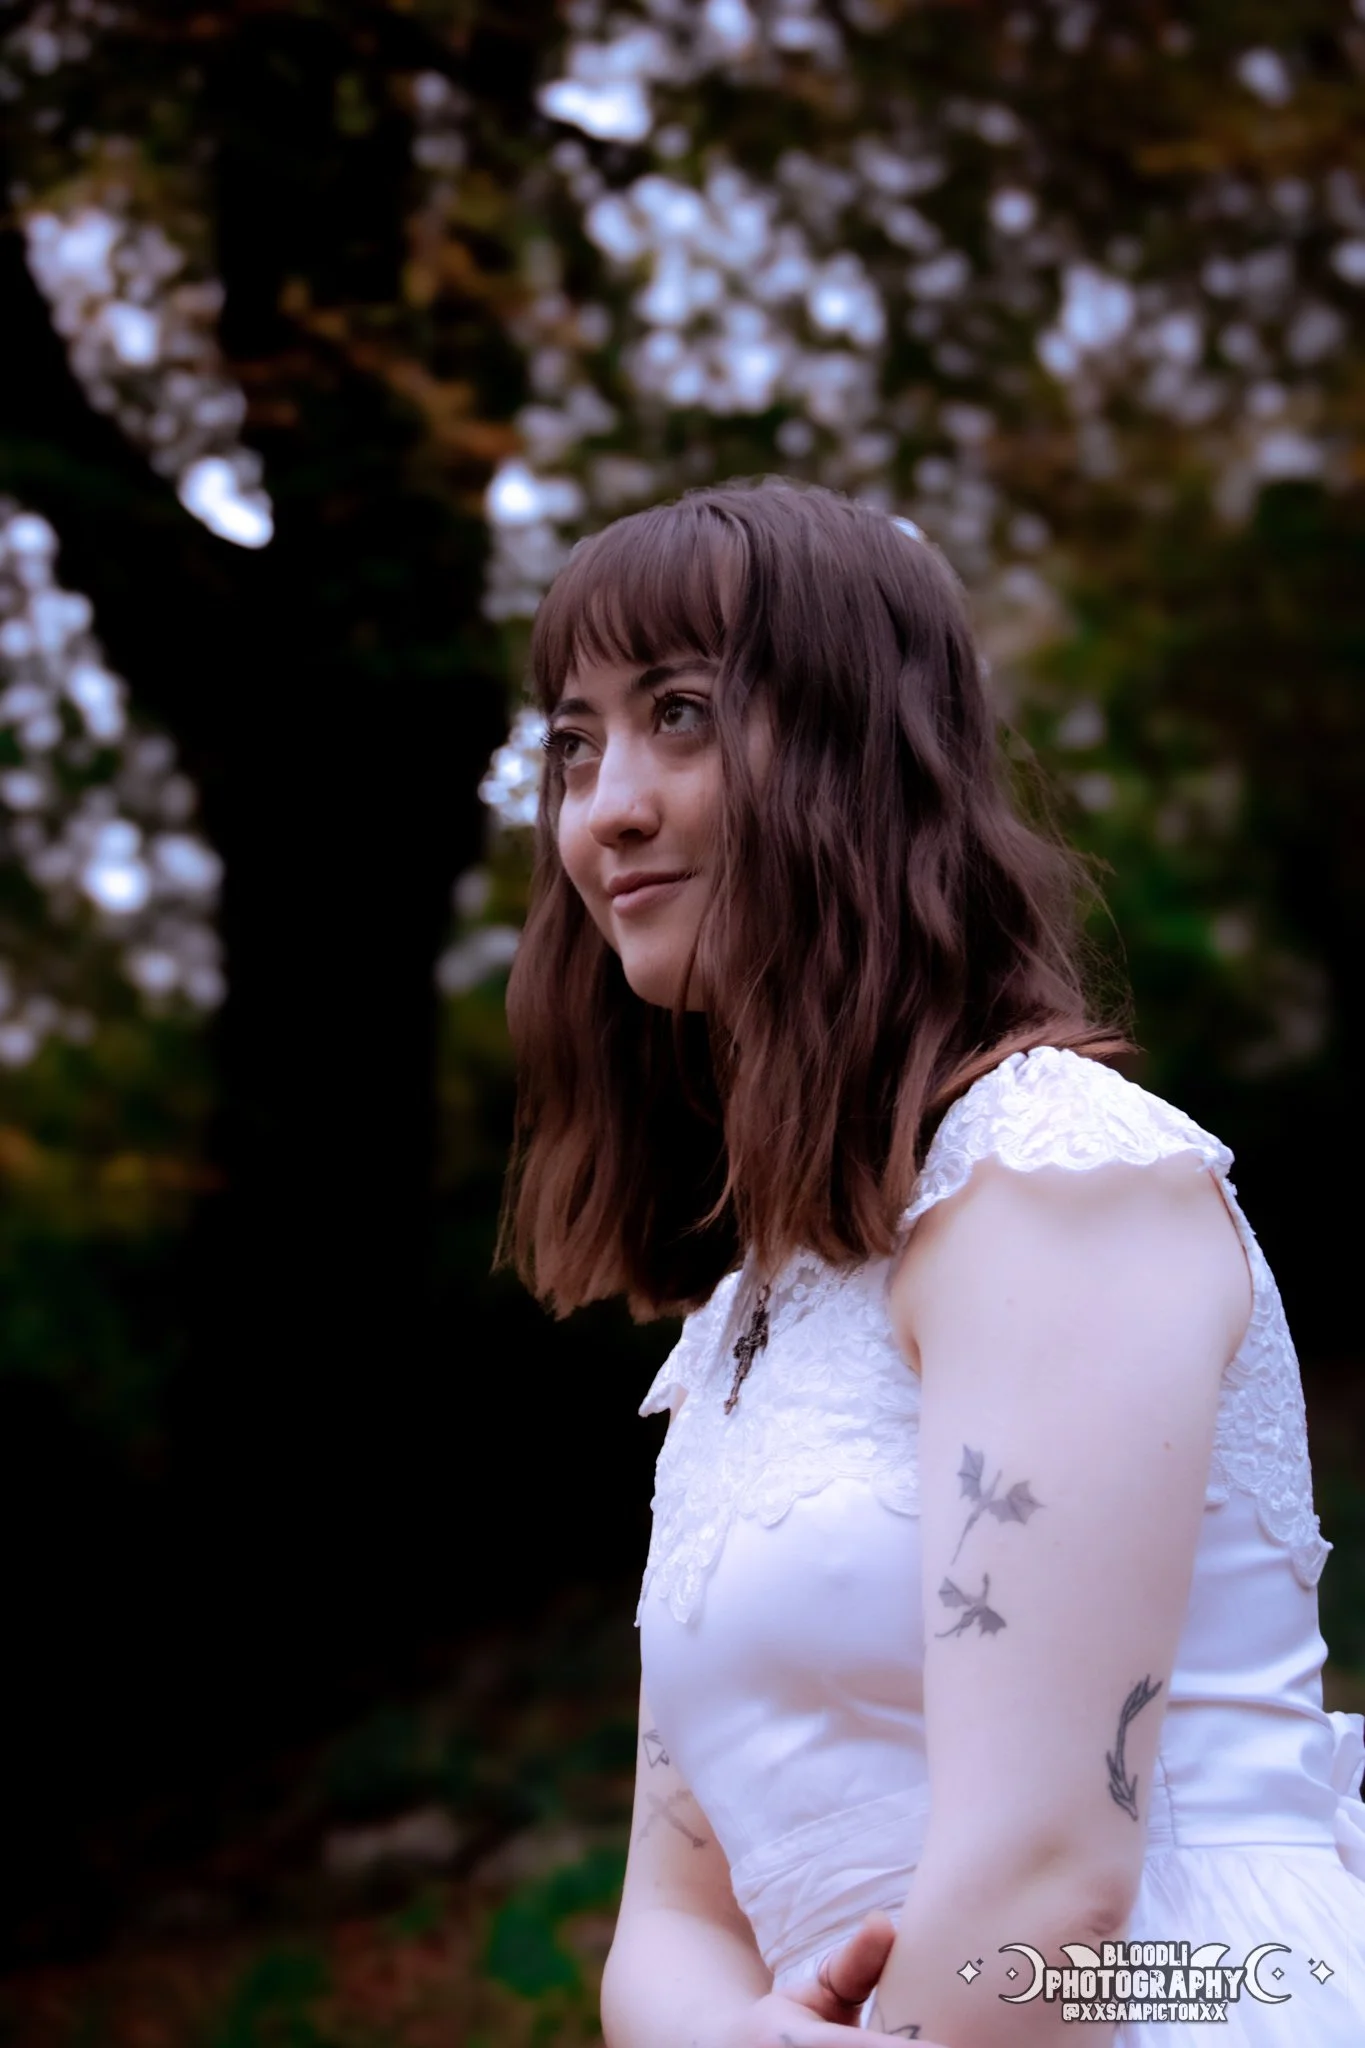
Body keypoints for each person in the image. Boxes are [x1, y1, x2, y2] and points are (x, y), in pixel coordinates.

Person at [496, 478, 1365, 2048]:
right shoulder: (743, 1323)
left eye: (680, 715)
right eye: (575, 741)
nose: (606, 805)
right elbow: (669, 1920)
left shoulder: (1056, 1179)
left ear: (856, 753)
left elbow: (1053, 1887)